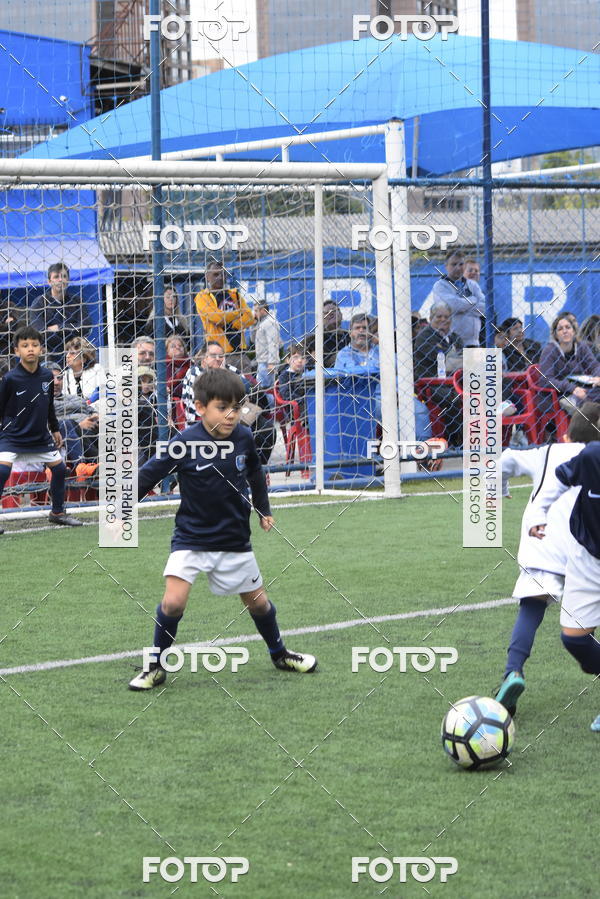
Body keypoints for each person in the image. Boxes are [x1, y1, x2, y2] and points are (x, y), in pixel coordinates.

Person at [128, 367, 317, 690]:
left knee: (258, 603)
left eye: (236, 407)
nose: (231, 415)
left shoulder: (243, 437)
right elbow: (149, 475)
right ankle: (156, 666)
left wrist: (263, 509)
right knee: (173, 602)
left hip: (234, 540)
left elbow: (256, 473)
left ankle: (280, 653)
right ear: (200, 408)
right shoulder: (184, 442)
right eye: (222, 408)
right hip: (191, 538)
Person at [494, 403, 600, 717]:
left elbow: (504, 461)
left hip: (545, 542)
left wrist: (500, 489)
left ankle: (513, 671)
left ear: (566, 434)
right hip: (586, 545)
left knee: (533, 605)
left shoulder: (546, 451)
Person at [525, 422, 600, 732]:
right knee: (574, 639)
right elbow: (559, 479)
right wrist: (538, 513)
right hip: (587, 558)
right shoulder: (593, 456)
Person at [0, 326, 82, 534]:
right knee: (2, 471)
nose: (30, 349)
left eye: (34, 345)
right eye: (25, 346)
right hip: (12, 436)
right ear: (16, 351)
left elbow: (48, 406)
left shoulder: (47, 376)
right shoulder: (10, 379)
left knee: (60, 469)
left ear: (41, 349)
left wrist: (54, 429)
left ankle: (57, 513)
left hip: (39, 437)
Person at [181, 342, 275, 465]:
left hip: (237, 415)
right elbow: (201, 402)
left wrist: (225, 374)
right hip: (206, 420)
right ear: (204, 358)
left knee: (267, 429)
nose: (218, 359)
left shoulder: (230, 369)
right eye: (213, 355)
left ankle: (255, 469)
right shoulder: (195, 372)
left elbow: (248, 392)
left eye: (221, 356)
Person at [413, 302, 463, 446]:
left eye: (446, 317)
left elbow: (464, 360)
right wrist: (457, 360)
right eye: (439, 317)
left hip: (455, 380)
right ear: (430, 318)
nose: (443, 320)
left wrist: (456, 360)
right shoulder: (424, 336)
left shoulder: (455, 337)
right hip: (430, 384)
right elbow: (445, 362)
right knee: (453, 398)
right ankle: (455, 442)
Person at [537, 312, 600, 414]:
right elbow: (546, 380)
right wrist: (572, 388)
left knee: (591, 392)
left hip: (581, 388)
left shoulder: (581, 346)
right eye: (560, 329)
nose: (565, 331)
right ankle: (575, 401)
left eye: (568, 327)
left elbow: (595, 365)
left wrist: (598, 377)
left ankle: (576, 401)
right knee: (586, 399)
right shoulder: (549, 350)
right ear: (556, 335)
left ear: (574, 331)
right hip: (558, 393)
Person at [28, 263, 91, 361]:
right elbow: (39, 332)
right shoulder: (39, 302)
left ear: (68, 280)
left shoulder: (77, 301)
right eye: (56, 277)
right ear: (49, 281)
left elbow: (86, 327)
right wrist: (72, 328)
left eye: (64, 276)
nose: (60, 280)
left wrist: (59, 327)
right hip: (48, 352)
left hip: (74, 349)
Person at [193, 261, 254, 354]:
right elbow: (217, 318)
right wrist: (238, 313)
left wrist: (233, 324)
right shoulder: (202, 297)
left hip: (240, 352)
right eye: (216, 274)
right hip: (218, 352)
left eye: (223, 274)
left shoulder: (234, 295)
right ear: (207, 276)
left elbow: (249, 318)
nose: (220, 277)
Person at [431, 249, 486, 347]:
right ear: (446, 266)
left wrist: (461, 307)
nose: (457, 267)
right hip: (452, 343)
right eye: (453, 264)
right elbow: (452, 306)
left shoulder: (472, 284)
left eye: (461, 264)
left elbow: (484, 307)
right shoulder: (440, 286)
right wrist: (473, 300)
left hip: (474, 342)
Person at [303, 301, 350, 369]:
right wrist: (312, 359)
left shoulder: (351, 337)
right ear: (321, 318)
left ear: (341, 315)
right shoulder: (311, 341)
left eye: (334, 311)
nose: (330, 314)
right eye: (326, 313)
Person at [252, 299, 281, 388]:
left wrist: (271, 363)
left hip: (267, 362)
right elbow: (253, 341)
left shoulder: (270, 322)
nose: (254, 313)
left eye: (256, 311)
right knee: (262, 389)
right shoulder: (262, 323)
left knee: (265, 390)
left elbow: (273, 344)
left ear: (263, 310)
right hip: (262, 361)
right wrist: (254, 324)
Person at [278, 345, 309, 424]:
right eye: (295, 357)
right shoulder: (284, 376)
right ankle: (305, 423)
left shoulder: (308, 372)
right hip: (295, 408)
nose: (299, 360)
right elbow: (285, 394)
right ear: (288, 360)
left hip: (311, 402)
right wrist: (303, 399)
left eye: (303, 358)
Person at [165, 335, 191, 401]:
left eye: (180, 345)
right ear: (167, 351)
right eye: (173, 346)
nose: (177, 347)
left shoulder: (191, 364)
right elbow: (169, 389)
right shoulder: (164, 365)